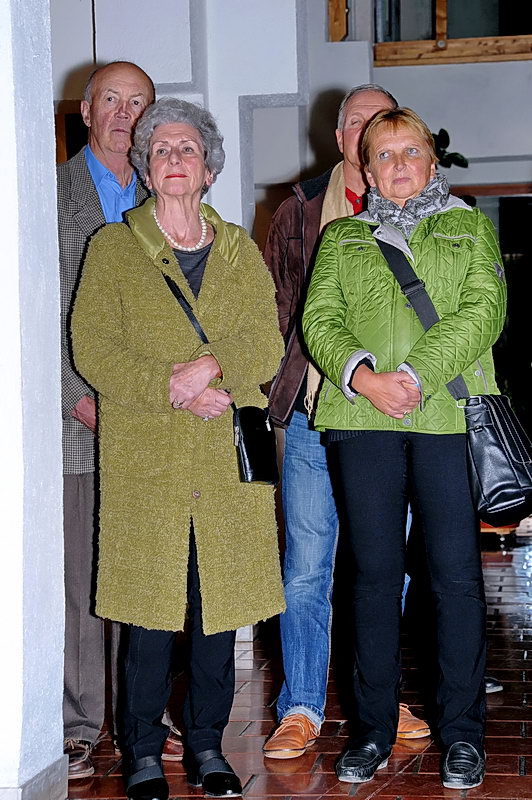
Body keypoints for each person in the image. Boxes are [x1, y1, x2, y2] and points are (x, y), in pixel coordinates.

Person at [71, 97, 286, 800]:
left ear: (208, 169)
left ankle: (206, 745)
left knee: (217, 610)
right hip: (147, 456)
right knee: (149, 614)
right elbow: (93, 347)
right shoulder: (113, 248)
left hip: (224, 460)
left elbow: (265, 341)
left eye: (186, 148)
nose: (173, 159)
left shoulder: (238, 250)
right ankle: (140, 751)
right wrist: (171, 386)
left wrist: (209, 367)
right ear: (144, 167)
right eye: (160, 149)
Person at [302, 107, 506, 788]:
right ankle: (372, 730)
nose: (397, 165)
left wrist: (415, 376)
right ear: (366, 170)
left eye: (409, 151)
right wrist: (364, 377)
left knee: (456, 579)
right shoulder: (342, 237)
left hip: (445, 416)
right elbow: (319, 318)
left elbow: (484, 311)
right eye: (382, 154)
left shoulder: (469, 226)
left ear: (431, 161)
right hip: (363, 419)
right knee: (372, 578)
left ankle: (463, 735)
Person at [263, 84, 430, 761]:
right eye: (354, 122)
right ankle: (301, 706)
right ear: (338, 138)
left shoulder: (422, 210)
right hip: (314, 417)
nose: (365, 133)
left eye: (378, 120)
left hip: (392, 421)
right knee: (307, 566)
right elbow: (275, 306)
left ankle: (380, 697)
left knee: (384, 566)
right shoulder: (299, 209)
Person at [57, 60, 183, 780]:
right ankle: (80, 724)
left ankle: (141, 715)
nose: (124, 114)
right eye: (111, 99)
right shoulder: (49, 193)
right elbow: (36, 306)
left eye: (138, 103)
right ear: (86, 110)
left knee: (146, 573)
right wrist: (76, 394)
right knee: (82, 578)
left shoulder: (162, 195)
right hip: (82, 420)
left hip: (152, 421)